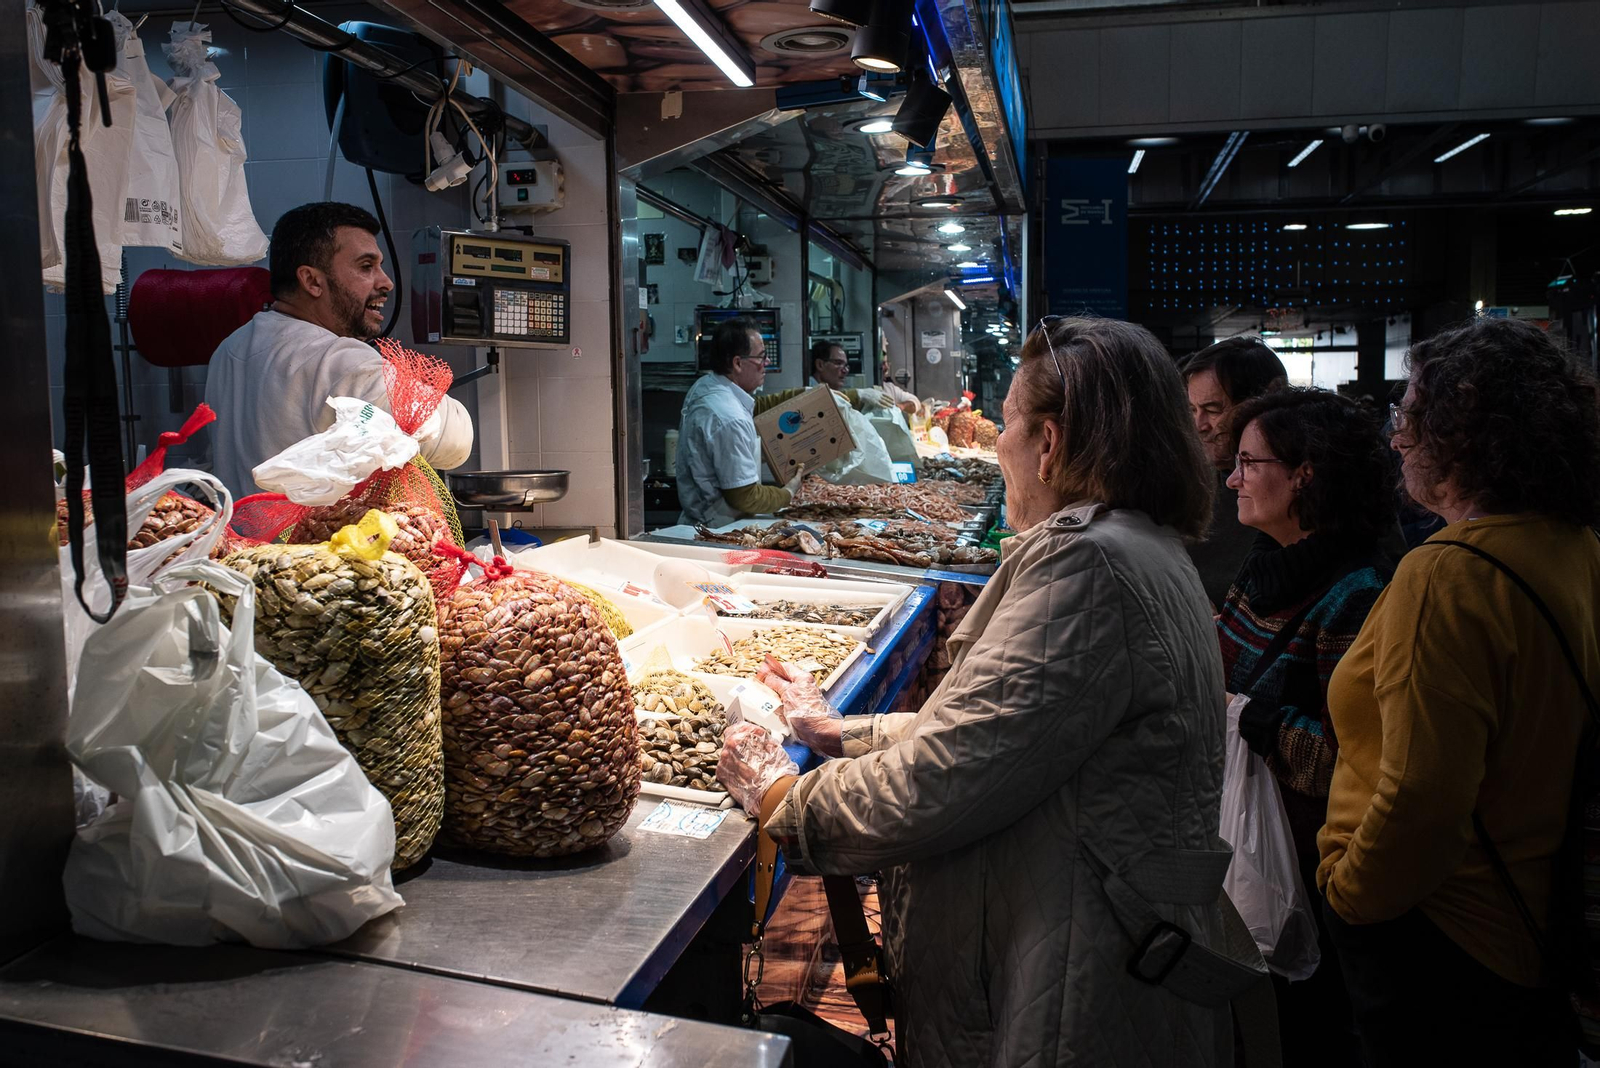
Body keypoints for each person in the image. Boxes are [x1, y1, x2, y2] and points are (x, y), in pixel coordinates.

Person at [718, 316, 1274, 1067]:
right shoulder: (1137, 544)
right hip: (1098, 946)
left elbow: (942, 782)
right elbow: (1007, 735)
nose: (1000, 444)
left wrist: (788, 800)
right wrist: (838, 734)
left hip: (1079, 982)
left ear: (1050, 444)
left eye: (1009, 423)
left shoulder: (1090, 567)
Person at [1317, 317, 1600, 1066]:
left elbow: (1423, 796)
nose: (1396, 436)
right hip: (1537, 923)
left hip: (1442, 932)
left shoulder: (1448, 574)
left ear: (1461, 436)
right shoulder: (1577, 548)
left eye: (1408, 414)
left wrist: (1348, 894)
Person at [1214, 388, 1394, 1066]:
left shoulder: (1359, 594)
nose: (1231, 478)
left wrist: (1248, 715)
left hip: (1304, 876)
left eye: (1248, 463)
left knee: (1296, 1035)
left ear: (1304, 476)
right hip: (1239, 845)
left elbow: (1340, 764)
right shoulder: (1263, 565)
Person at [205, 202, 473, 499]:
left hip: (241, 542)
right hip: (321, 544)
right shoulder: (342, 361)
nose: (386, 283)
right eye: (366, 267)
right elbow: (454, 444)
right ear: (312, 281)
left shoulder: (228, 350)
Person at [1182, 336, 1289, 608]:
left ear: (1266, 401)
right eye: (1192, 410)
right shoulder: (1189, 479)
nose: (1199, 425)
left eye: (1213, 409)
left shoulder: (1307, 483)